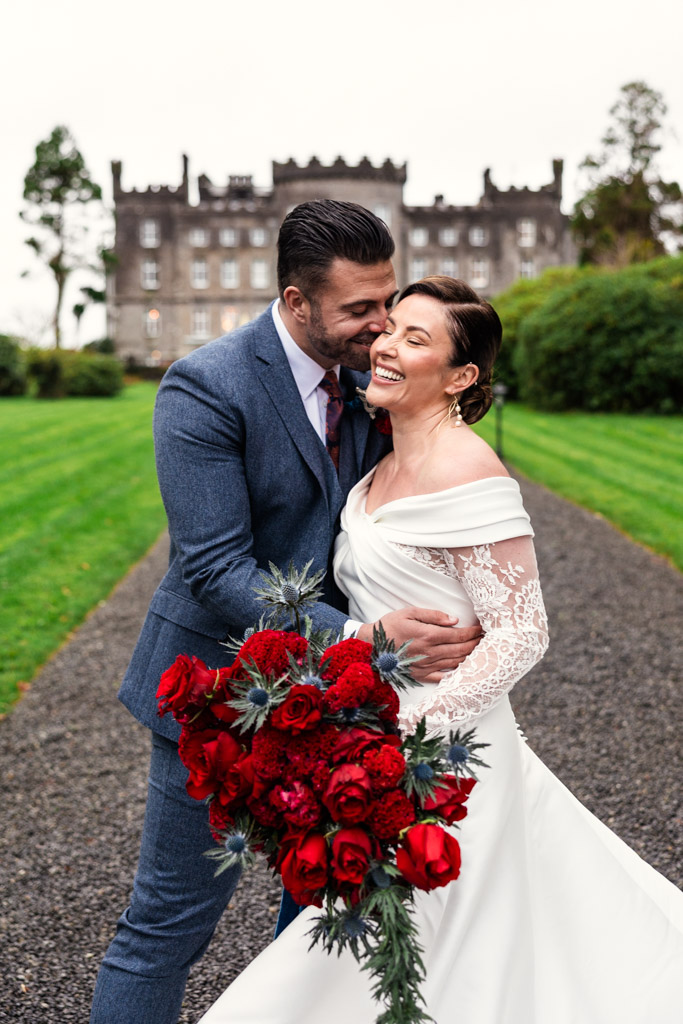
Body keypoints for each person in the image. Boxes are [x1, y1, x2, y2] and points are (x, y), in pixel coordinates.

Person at [199, 277, 683, 1024]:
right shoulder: (377, 465)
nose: (385, 345)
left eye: (414, 339)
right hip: (365, 736)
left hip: (440, 758)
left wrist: (411, 739)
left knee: (432, 954)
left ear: (460, 378)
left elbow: (522, 631)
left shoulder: (469, 470)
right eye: (390, 328)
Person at [90, 206, 482, 1024]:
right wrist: (356, 639)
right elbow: (213, 568)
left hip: (346, 703)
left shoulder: (369, 378)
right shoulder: (206, 384)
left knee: (320, 923)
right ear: (297, 301)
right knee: (168, 926)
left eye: (388, 302)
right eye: (359, 310)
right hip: (223, 693)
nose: (381, 327)